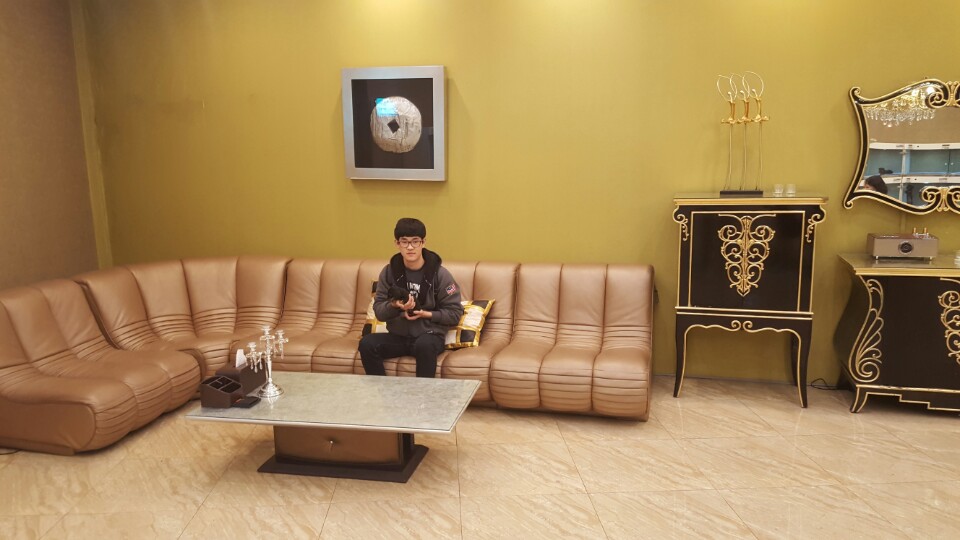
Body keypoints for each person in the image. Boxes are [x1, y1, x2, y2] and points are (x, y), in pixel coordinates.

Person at [358, 218, 464, 378]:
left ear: (423, 242)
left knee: (424, 345)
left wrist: (426, 314)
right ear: (397, 243)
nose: (410, 247)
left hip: (429, 335)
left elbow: (455, 314)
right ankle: (382, 391)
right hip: (398, 336)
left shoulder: (441, 274)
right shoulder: (388, 272)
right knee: (367, 344)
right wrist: (395, 306)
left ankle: (422, 394)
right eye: (404, 242)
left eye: (415, 241)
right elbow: (379, 311)